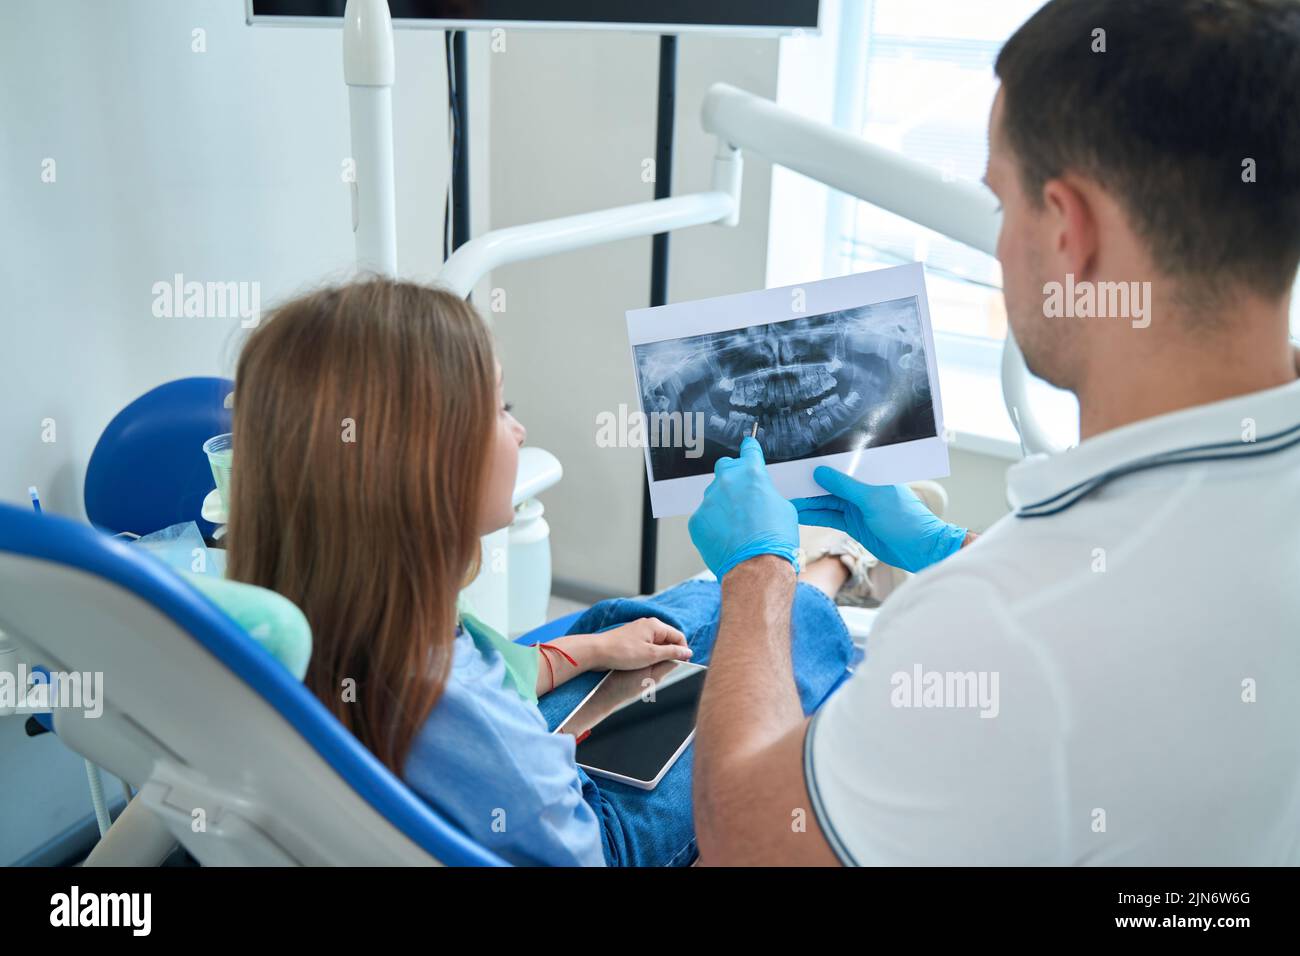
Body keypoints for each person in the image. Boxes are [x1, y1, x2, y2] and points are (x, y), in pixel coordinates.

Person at [688, 0, 1300, 865]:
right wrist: (951, 549)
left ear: (1067, 226)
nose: (1001, 247)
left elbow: (747, 838)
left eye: (1000, 203)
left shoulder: (1002, 630)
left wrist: (756, 576)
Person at [225, 278, 856, 866]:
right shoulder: (455, 701)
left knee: (629, 626)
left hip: (506, 764)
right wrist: (762, 562)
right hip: (603, 834)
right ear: (426, 464)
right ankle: (830, 566)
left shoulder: (316, 618)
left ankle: (750, 580)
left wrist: (589, 655)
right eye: (501, 407)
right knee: (791, 621)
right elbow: (580, 848)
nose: (520, 428)